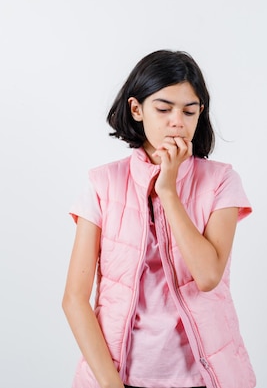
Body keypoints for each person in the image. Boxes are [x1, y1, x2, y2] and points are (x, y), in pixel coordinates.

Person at [62, 50, 256, 388]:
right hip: (120, 378)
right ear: (137, 109)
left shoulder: (222, 181)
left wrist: (168, 190)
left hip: (204, 379)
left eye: (189, 110)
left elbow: (208, 275)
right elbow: (75, 298)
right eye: (163, 109)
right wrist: (111, 385)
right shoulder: (102, 184)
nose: (177, 121)